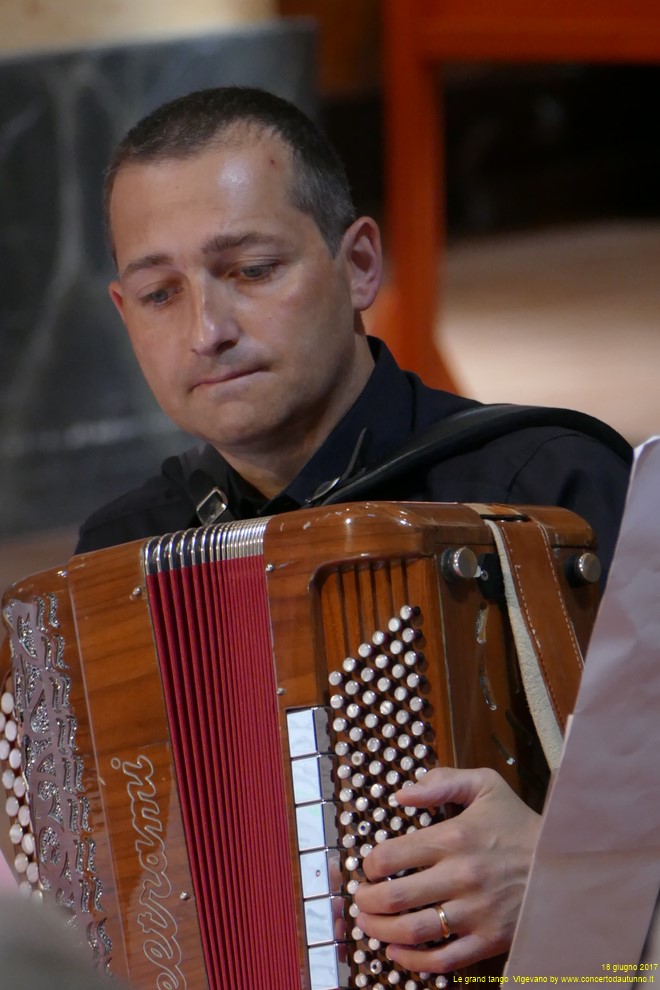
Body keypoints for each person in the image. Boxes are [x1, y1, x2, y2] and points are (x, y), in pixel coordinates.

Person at [75, 86, 631, 977]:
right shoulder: (118, 558)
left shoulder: (544, 490)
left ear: (360, 263)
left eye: (253, 269)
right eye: (158, 293)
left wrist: (579, 871)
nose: (207, 330)